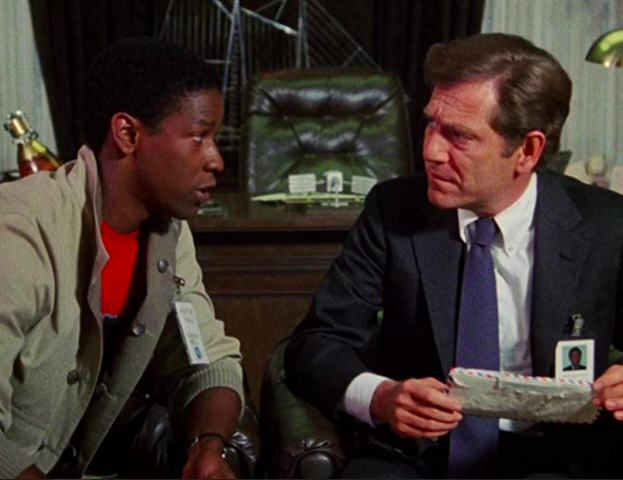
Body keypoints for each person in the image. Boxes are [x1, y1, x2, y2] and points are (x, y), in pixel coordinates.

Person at [285, 33, 623, 478]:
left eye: (459, 136)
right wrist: (382, 396)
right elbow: (316, 343)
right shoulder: (393, 210)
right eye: (431, 124)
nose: (431, 151)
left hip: (552, 457)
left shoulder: (604, 224)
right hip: (414, 454)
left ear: (527, 150)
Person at [0, 38, 244, 479]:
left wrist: (207, 445)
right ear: (128, 134)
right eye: (199, 136)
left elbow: (207, 358)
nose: (216, 160)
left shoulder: (169, 234)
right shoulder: (21, 230)